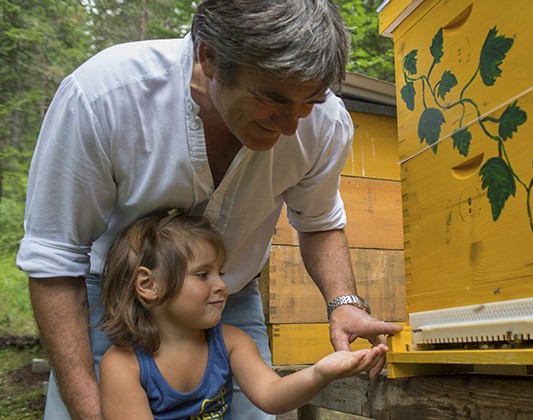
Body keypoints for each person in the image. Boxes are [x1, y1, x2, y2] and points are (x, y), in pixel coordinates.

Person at [15, 0, 403, 418]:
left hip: (231, 298)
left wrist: (343, 302)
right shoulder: (103, 96)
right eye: (273, 98)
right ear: (210, 57)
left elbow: (320, 221)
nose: (292, 125)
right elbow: (55, 257)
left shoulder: (325, 123)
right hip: (110, 304)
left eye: (309, 100)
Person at [98, 210, 387, 419]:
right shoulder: (123, 365)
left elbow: (272, 395)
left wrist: (321, 372)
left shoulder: (230, 341)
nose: (222, 285)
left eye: (219, 273)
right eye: (203, 275)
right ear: (149, 285)